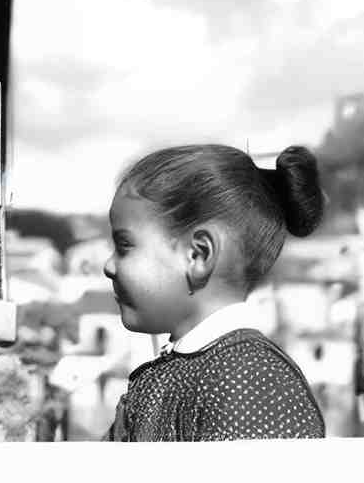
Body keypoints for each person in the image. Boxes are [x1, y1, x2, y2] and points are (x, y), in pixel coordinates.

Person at [102, 144, 326, 441]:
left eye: (124, 245)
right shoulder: (183, 373)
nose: (108, 266)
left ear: (198, 255)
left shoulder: (251, 382)